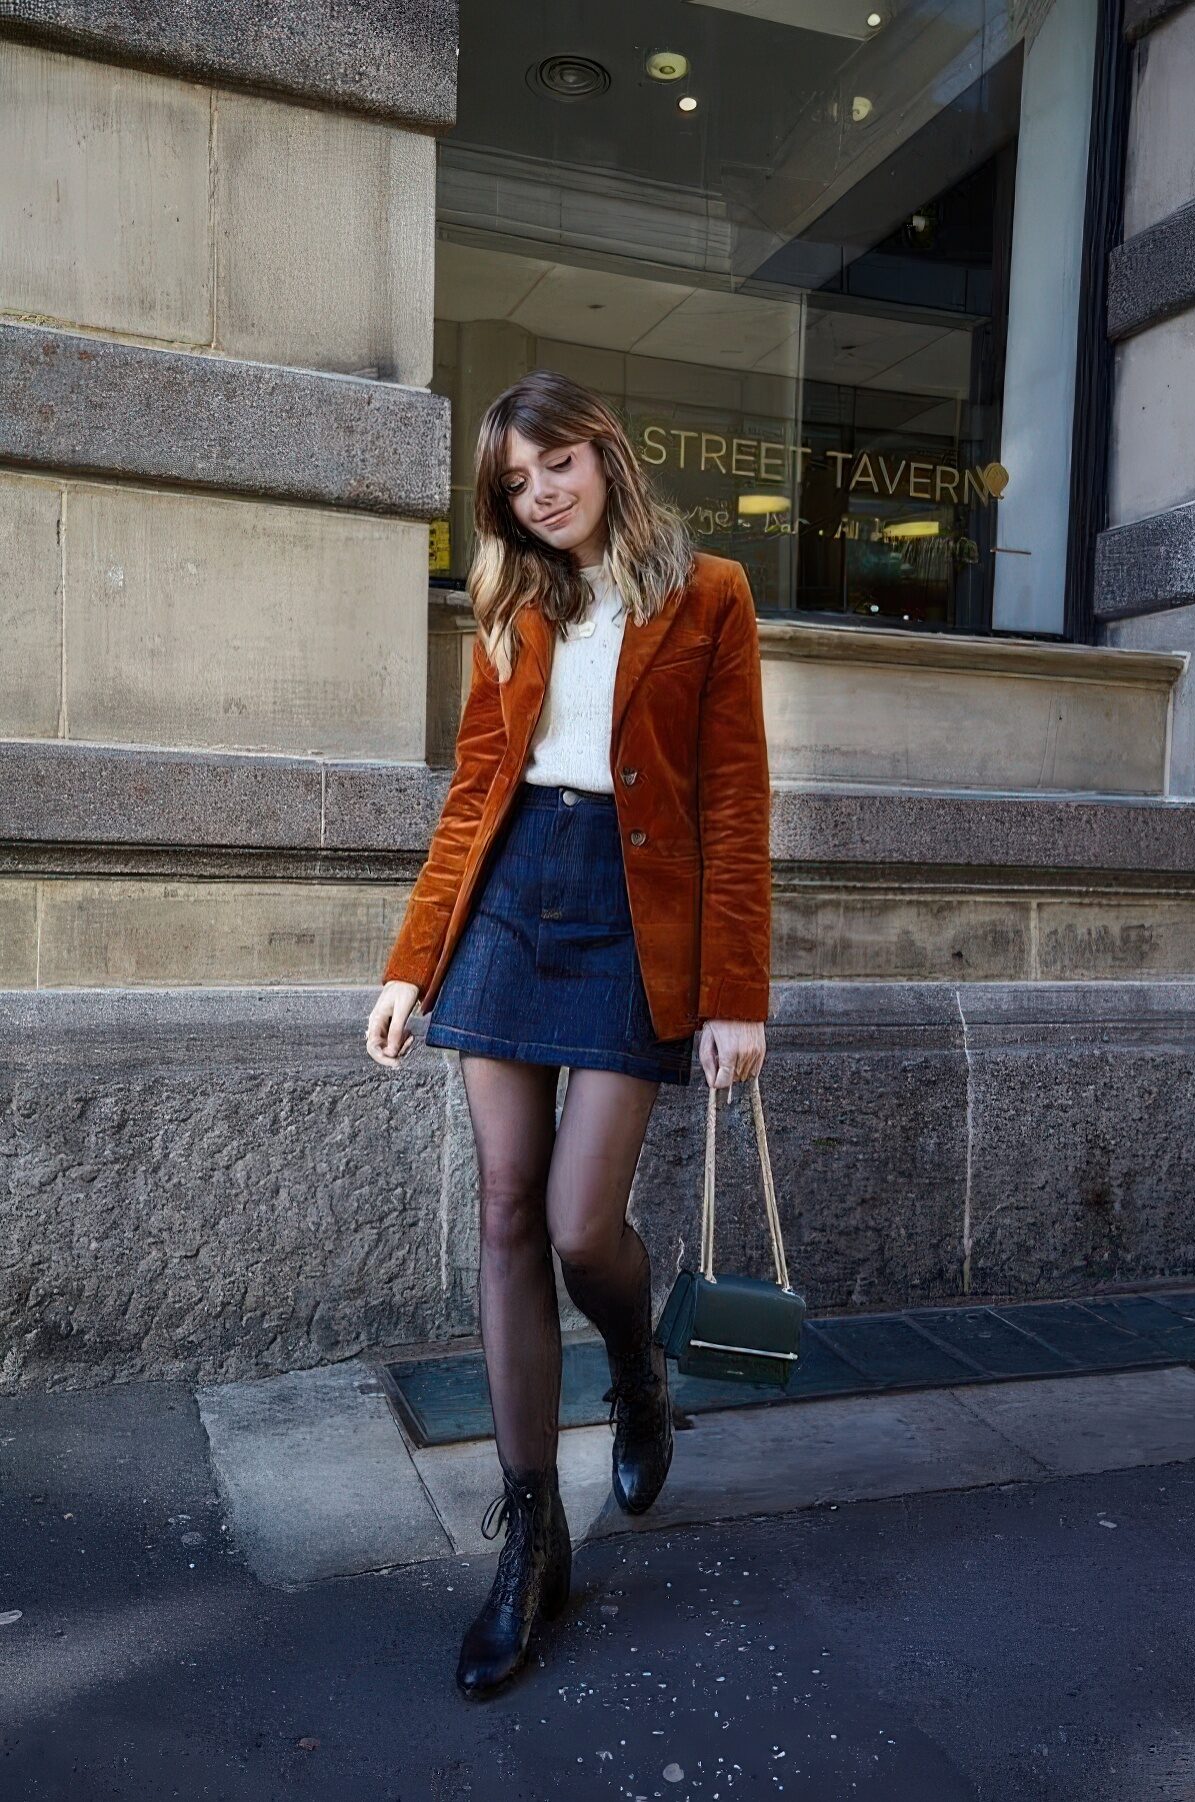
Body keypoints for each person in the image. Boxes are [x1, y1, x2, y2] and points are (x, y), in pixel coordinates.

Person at [366, 368, 772, 1700]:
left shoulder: (708, 595)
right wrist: (411, 963)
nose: (541, 494)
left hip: (630, 908)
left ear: (604, 452)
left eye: (557, 464)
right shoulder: (511, 601)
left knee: (582, 1223)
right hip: (508, 900)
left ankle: (639, 1368)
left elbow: (734, 804)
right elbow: (475, 787)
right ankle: (531, 1528)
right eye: (515, 482)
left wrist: (735, 995)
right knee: (505, 1206)